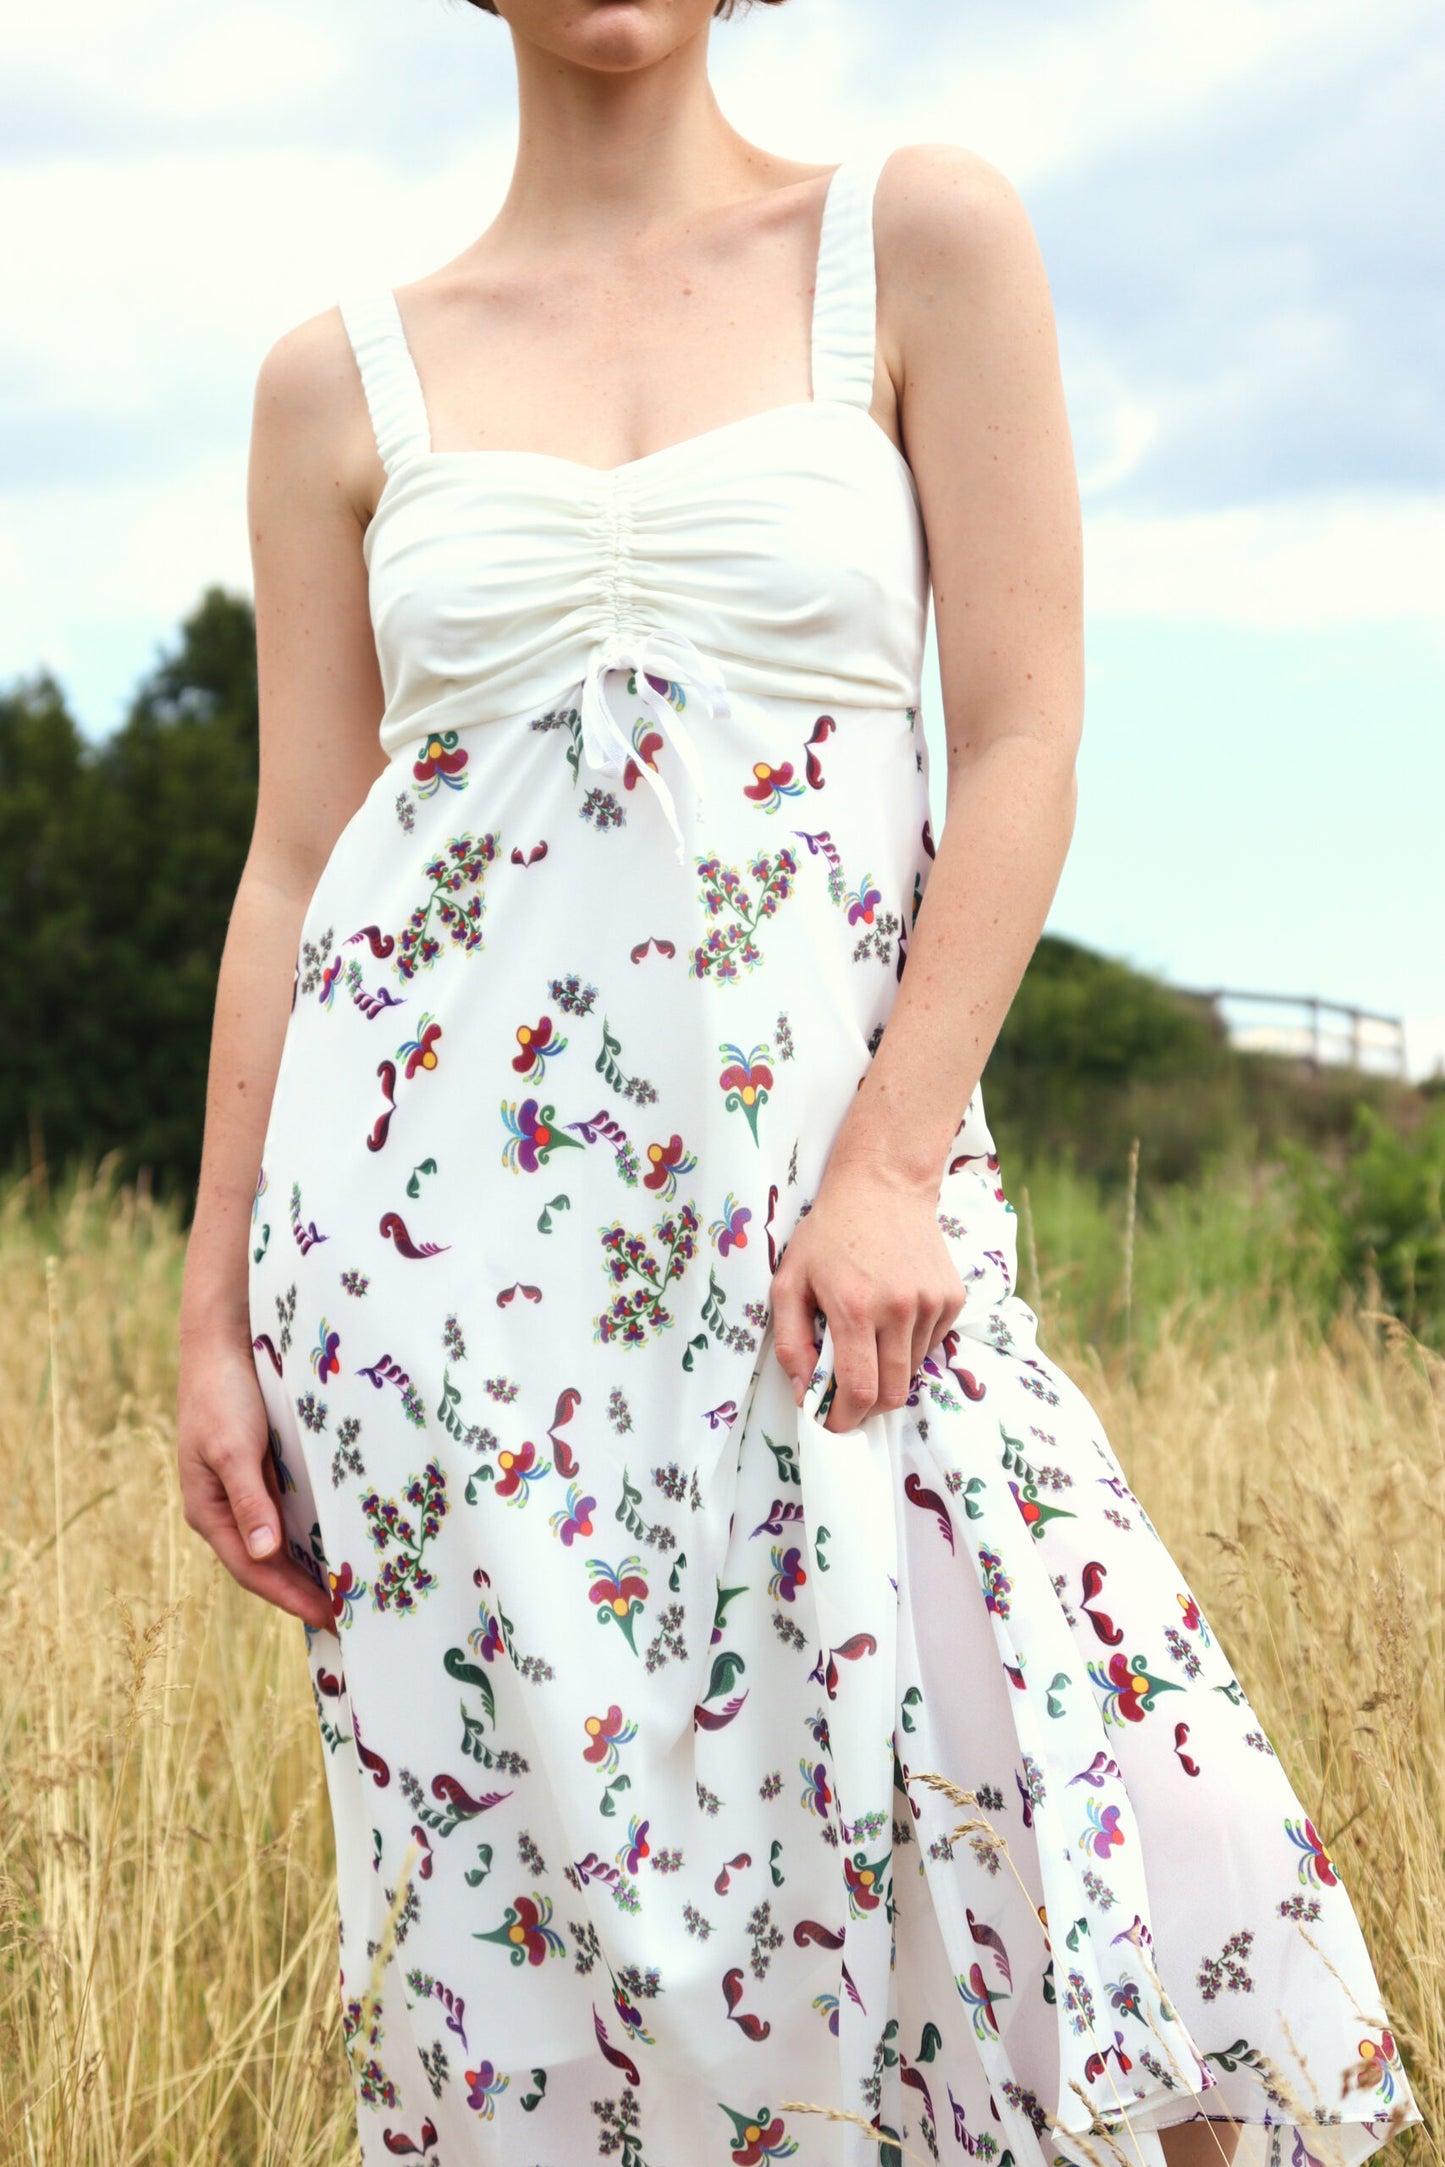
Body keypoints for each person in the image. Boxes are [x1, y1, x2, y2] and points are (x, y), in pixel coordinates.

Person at [175, 4, 1422, 2163]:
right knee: (568, 1924)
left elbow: (1025, 736)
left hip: (844, 1233)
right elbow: (298, 861)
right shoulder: (333, 375)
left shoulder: (914, 237)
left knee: (1076, 1813)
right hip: (445, 1302)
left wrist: (892, 1161)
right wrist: (212, 1314)